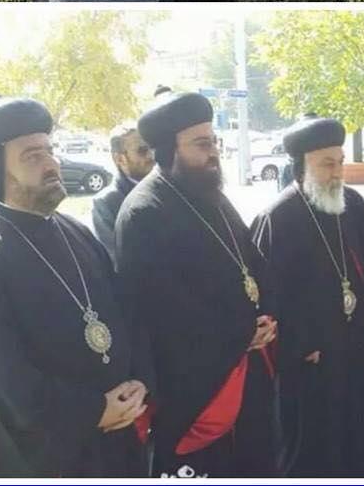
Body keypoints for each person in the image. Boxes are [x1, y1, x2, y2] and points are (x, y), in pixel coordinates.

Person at [0, 97, 152, 478]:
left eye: (50, 151)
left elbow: (124, 315)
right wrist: (93, 410)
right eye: (33, 156)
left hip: (118, 440)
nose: (53, 164)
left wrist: (137, 381)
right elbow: (0, 378)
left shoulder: (76, 232)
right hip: (50, 457)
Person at [115, 91, 278, 478]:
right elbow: (162, 310)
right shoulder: (143, 212)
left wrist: (268, 314)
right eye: (202, 144)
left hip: (244, 368)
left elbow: (252, 261)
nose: (214, 153)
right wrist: (243, 330)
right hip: (194, 388)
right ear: (170, 150)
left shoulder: (212, 196)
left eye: (214, 142)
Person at [251, 116, 364, 477]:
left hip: (357, 344)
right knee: (318, 445)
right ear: (301, 167)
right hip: (312, 356)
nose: (337, 172)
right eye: (327, 163)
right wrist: (298, 346)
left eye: (340, 162)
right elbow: (266, 296)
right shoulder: (278, 217)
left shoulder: (352, 205)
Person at [91, 122, 154, 265]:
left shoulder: (168, 189)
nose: (151, 155)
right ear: (119, 159)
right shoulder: (105, 204)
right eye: (142, 150)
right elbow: (116, 261)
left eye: (152, 148)